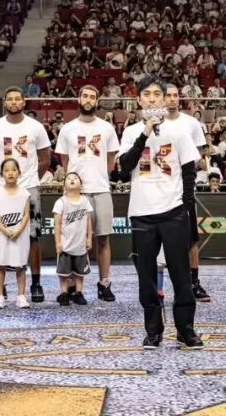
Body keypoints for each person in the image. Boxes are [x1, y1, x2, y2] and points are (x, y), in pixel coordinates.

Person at [118, 77, 203, 348]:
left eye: (157, 94)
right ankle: (153, 330)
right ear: (139, 100)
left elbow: (189, 170)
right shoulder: (131, 132)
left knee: (181, 275)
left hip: (173, 210)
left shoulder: (179, 130)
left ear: (165, 99)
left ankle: (186, 329)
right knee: (146, 277)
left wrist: (186, 206)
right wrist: (144, 133)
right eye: (147, 94)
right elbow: (124, 167)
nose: (153, 98)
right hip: (141, 212)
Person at [0, 87, 51, 303]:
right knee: (1, 236)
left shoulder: (36, 127)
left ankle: (36, 283)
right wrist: (2, 180)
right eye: (10, 99)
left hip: (29, 187)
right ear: (5, 102)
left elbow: (45, 159)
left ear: (24, 102)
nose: (13, 102)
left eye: (17, 99)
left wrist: (30, 180)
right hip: (2, 189)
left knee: (33, 235)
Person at [54, 85, 118, 301]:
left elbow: (111, 161)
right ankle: (73, 287)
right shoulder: (67, 129)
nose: (88, 99)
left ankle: (104, 284)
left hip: (101, 189)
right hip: (76, 194)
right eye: (85, 96)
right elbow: (65, 161)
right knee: (73, 240)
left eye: (92, 96)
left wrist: (98, 175)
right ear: (79, 99)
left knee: (103, 239)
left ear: (97, 101)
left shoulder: (107, 128)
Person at [154, 84, 212, 301]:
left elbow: (198, 157)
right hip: (158, 189)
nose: (171, 99)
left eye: (175, 95)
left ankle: (193, 282)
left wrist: (181, 169)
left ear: (180, 98)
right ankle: (157, 285)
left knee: (191, 238)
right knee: (157, 238)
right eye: (167, 95)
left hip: (184, 189)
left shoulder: (191, 123)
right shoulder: (153, 123)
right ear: (162, 99)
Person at [0, 158, 32, 309]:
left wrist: (18, 230)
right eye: (7, 170)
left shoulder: (25, 193)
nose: (10, 173)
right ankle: (0, 296)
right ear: (1, 173)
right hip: (3, 235)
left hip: (20, 236)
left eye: (14, 170)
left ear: (19, 173)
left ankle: (21, 296)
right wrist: (4, 230)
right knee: (0, 265)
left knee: (20, 266)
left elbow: (26, 215)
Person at [53, 172, 94, 306]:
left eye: (75, 178)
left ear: (81, 185)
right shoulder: (61, 202)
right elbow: (57, 224)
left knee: (80, 272)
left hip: (80, 245)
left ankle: (79, 293)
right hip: (66, 245)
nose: (72, 180)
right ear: (64, 185)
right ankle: (64, 293)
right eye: (69, 178)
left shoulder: (85, 201)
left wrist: (89, 238)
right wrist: (58, 242)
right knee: (64, 272)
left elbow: (88, 221)